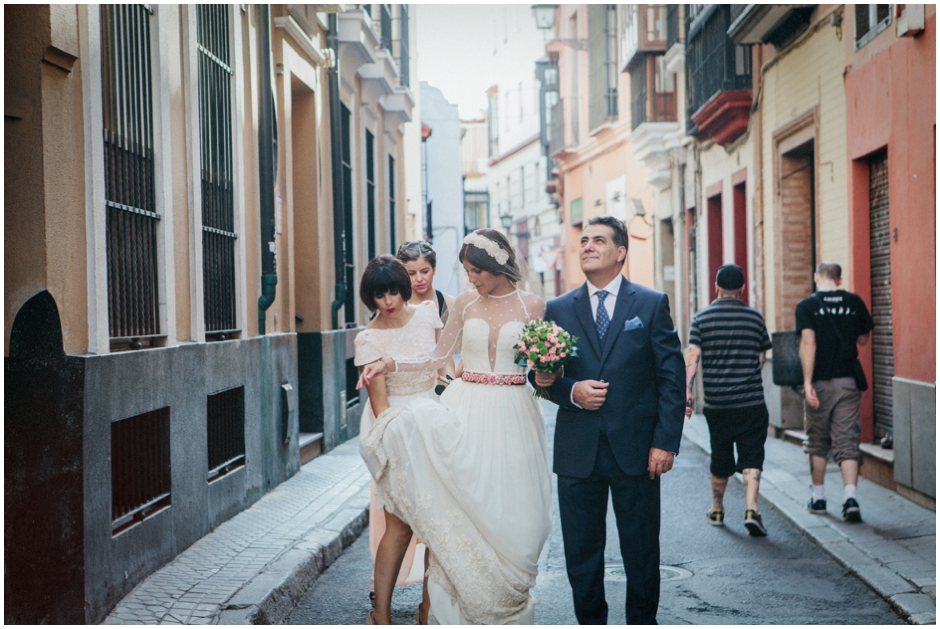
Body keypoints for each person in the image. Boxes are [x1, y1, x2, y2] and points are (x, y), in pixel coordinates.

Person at [357, 229, 552, 624]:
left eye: (476, 271)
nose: (471, 279)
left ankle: (506, 583)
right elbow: (436, 358)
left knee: (516, 511)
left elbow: (546, 367)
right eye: (466, 271)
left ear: (497, 266)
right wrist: (390, 364)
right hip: (468, 407)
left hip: (516, 410)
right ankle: (448, 604)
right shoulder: (463, 303)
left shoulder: (535, 306)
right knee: (466, 504)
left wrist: (551, 368)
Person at [533, 215, 685, 624]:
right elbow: (541, 377)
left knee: (640, 551)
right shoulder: (558, 309)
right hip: (577, 453)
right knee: (581, 554)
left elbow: (672, 377)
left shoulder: (651, 304)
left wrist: (666, 442)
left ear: (620, 252)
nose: (587, 246)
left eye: (598, 240)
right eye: (583, 240)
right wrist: (571, 392)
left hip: (637, 450)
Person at [353, 256, 438, 625]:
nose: (388, 301)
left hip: (435, 423)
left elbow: (441, 367)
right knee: (399, 526)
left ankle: (429, 608)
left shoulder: (427, 314)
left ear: (404, 289)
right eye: (379, 295)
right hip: (395, 430)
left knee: (438, 524)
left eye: (393, 292)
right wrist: (400, 445)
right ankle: (381, 613)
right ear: (369, 298)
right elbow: (380, 405)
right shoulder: (368, 338)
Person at [684, 264, 773, 536]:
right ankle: (751, 509)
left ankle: (718, 508)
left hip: (717, 404)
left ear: (716, 286)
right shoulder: (755, 318)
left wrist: (687, 392)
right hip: (751, 402)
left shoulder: (701, 318)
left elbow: (693, 357)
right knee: (752, 455)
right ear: (742, 288)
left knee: (720, 455)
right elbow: (761, 359)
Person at [796, 262, 873, 522]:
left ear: (816, 278)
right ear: (839, 280)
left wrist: (807, 382)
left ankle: (818, 498)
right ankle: (850, 498)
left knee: (817, 440)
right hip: (847, 382)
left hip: (818, 383)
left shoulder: (806, 306)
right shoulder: (854, 302)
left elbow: (809, 343)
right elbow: (863, 339)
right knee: (847, 440)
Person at [396, 240, 457, 379]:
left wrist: (452, 384)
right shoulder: (396, 305)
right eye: (411, 273)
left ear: (434, 269)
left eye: (424, 271)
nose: (419, 279)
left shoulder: (449, 304)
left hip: (442, 377)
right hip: (404, 379)